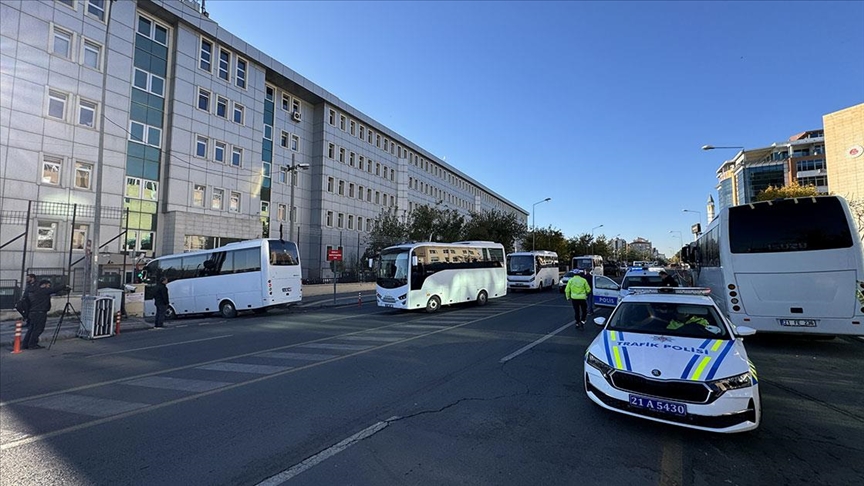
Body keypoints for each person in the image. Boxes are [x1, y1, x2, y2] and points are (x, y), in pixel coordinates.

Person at [21, 279, 69, 350]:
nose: (49, 287)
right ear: (44, 285)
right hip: (40, 313)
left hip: (33, 312)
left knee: (31, 329)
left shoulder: (35, 291)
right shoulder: (43, 291)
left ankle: (25, 344)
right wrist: (64, 286)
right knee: (38, 329)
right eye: (48, 285)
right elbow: (54, 290)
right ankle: (32, 344)